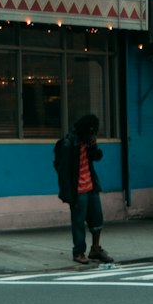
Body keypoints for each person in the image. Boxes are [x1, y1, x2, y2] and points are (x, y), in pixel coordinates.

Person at [53, 114, 113, 266]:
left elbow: (97, 157)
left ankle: (95, 249)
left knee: (97, 218)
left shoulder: (88, 143)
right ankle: (78, 252)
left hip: (91, 186)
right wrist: (67, 194)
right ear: (84, 131)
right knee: (78, 222)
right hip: (77, 190)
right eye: (91, 133)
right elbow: (62, 170)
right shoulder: (68, 144)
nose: (93, 136)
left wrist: (94, 145)